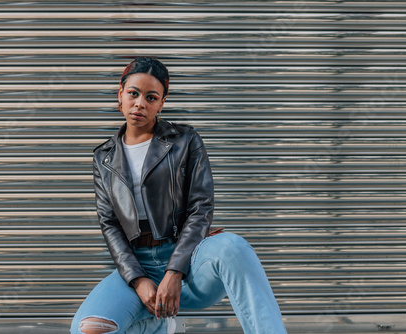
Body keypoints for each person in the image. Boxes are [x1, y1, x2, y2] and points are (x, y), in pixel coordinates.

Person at [70, 57, 287, 334]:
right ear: (120, 95)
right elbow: (110, 225)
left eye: (151, 97)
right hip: (140, 263)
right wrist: (137, 280)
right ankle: (156, 324)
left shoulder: (185, 141)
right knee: (88, 329)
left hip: (190, 258)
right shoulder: (104, 158)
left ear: (161, 103)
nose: (140, 103)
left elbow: (201, 208)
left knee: (234, 247)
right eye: (133, 93)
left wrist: (174, 271)